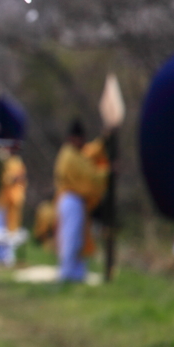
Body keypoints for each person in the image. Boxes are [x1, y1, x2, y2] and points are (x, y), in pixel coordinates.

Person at [54, 120, 109, 282]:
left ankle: (77, 274)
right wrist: (108, 172)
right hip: (71, 201)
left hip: (75, 202)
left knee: (78, 239)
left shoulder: (75, 153)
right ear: (73, 138)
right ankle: (66, 273)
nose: (84, 142)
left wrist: (104, 139)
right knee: (71, 238)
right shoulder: (70, 156)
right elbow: (90, 176)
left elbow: (90, 153)